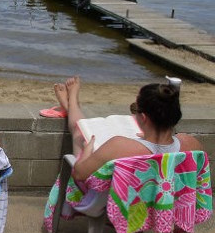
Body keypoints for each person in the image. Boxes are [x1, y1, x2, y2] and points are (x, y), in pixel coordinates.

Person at [51, 76, 204, 183]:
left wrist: (87, 151)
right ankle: (71, 105)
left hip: (118, 206)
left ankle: (72, 105)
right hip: (164, 205)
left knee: (80, 134)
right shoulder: (192, 145)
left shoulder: (119, 146)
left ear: (143, 118)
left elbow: (79, 174)